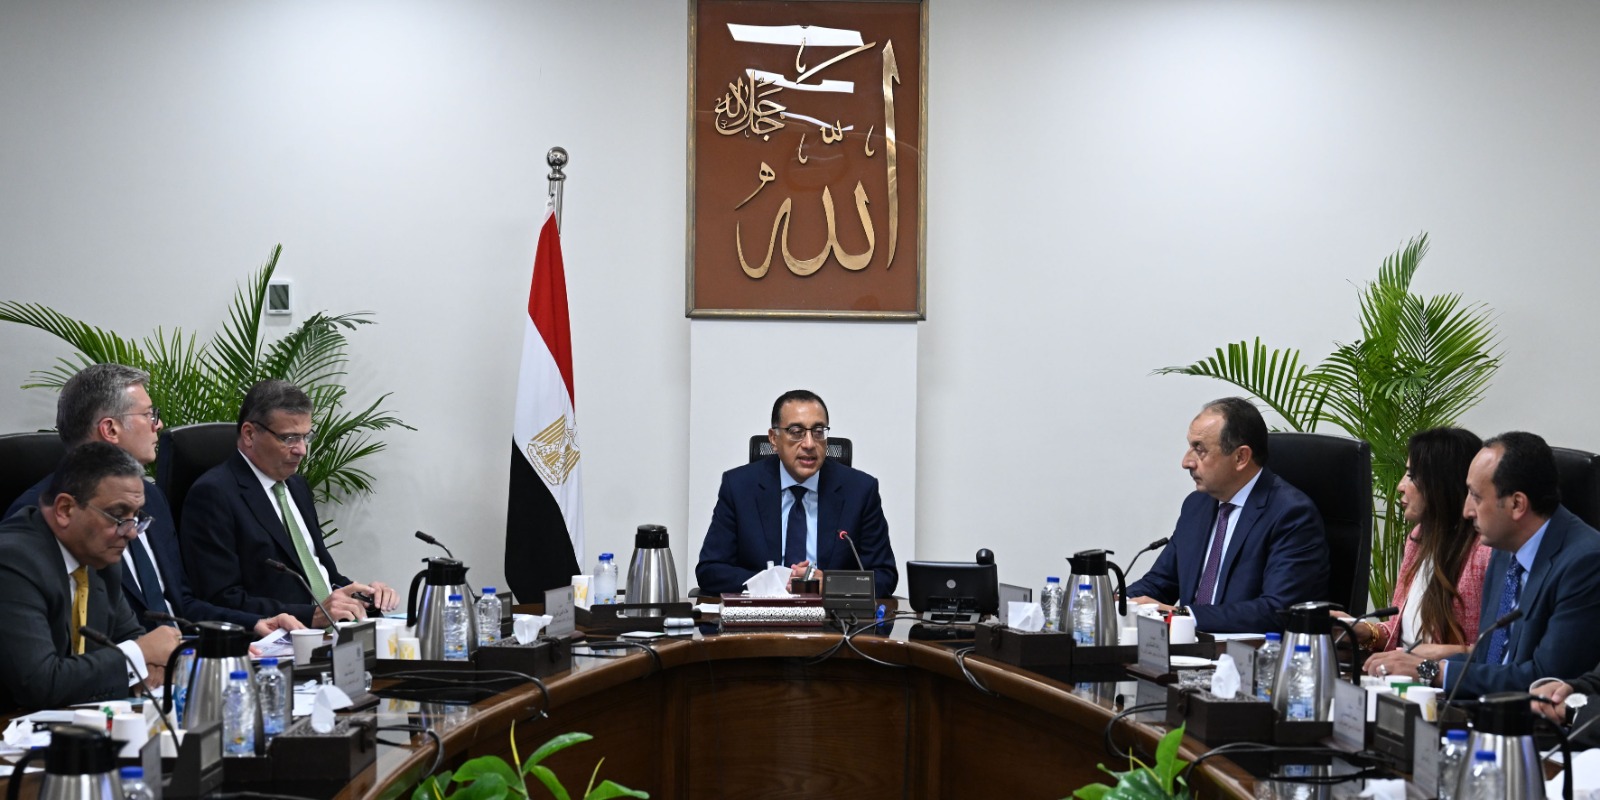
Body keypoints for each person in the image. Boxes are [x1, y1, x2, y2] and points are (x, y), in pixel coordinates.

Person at [4, 364, 301, 638]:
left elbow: (181, 605)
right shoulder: (43, 518)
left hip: (182, 654)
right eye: (149, 415)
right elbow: (69, 641)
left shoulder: (152, 498)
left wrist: (255, 623)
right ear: (110, 429)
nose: (158, 425)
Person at [1370, 432, 1600, 695]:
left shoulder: (1585, 563)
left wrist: (1431, 670)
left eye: (1476, 497)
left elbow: (1545, 679)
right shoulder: (1505, 549)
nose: (1467, 510)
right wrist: (1410, 662)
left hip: (1530, 716)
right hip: (1480, 705)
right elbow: (1489, 660)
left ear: (1517, 504)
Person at [181, 379, 398, 626]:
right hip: (278, 637)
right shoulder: (214, 494)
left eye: (306, 437)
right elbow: (220, 599)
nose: (302, 450)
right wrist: (311, 615)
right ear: (250, 434)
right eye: (289, 438)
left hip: (332, 630)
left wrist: (363, 596)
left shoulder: (296, 486)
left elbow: (322, 576)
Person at [0, 443, 183, 710]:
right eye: (118, 516)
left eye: (136, 517)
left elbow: (130, 637)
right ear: (65, 509)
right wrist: (140, 654)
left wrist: (147, 661)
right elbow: (40, 684)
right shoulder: (13, 561)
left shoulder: (99, 557)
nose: (131, 533)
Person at [1125, 397, 1329, 633]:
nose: (1186, 462)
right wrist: (1116, 603)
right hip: (1190, 648)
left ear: (1240, 457)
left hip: (1250, 652)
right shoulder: (1196, 506)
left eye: (1199, 449)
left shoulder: (1291, 514)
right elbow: (1161, 582)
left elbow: (1277, 611)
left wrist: (1181, 615)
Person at [696, 389, 898, 597]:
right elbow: (710, 571)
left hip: (830, 614)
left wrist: (830, 584)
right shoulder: (739, 487)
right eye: (796, 431)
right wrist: (775, 582)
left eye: (818, 431)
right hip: (763, 612)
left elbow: (884, 576)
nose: (809, 444)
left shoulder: (860, 491)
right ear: (773, 439)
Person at [1354, 428, 1491, 665]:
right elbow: (1403, 634)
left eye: (1411, 475)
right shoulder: (1418, 537)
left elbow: (1500, 652)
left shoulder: (1486, 552)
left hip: (1447, 683)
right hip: (1399, 675)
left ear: (1442, 484)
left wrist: (1441, 654)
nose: (1400, 486)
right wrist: (1363, 630)